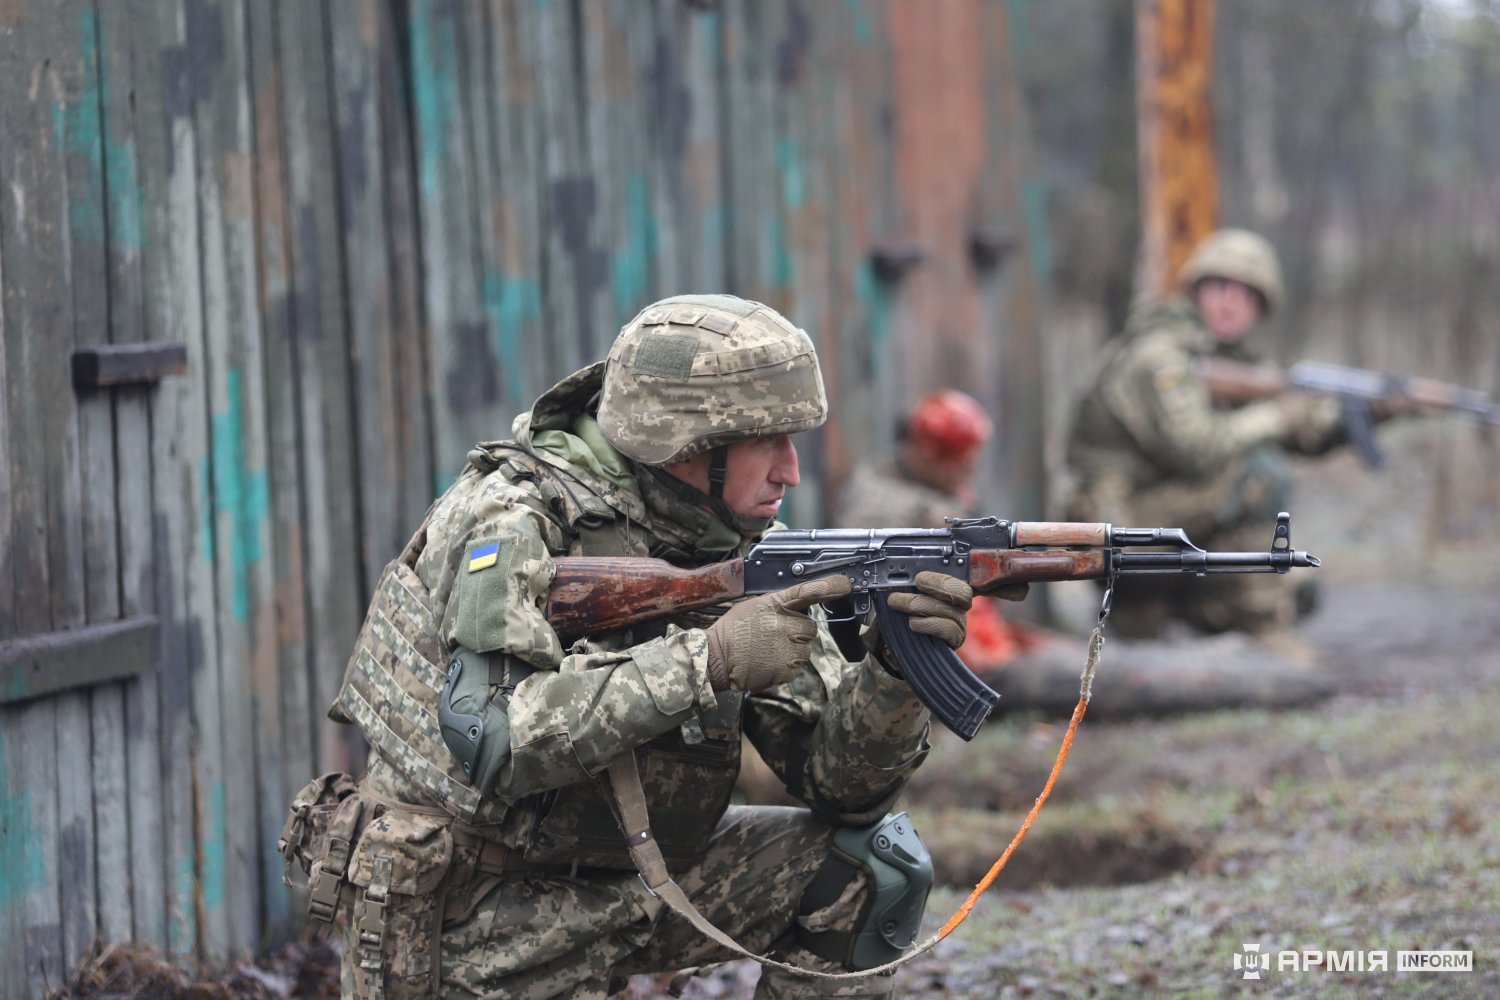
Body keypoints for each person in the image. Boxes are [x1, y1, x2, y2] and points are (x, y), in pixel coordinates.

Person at [279, 294, 996, 1000]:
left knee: (870, 864)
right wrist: (705, 662)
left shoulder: (732, 536)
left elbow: (841, 786)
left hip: (625, 881)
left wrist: (896, 670)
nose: (791, 471)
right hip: (474, 917)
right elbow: (493, 738)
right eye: (767, 441)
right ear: (688, 444)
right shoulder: (508, 517)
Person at [1063, 228, 1389, 660]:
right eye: (1220, 286)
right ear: (1197, 290)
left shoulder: (1230, 361)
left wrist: (1370, 413)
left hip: (1161, 523)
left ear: (1261, 307)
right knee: (1260, 474)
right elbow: (1198, 449)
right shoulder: (1161, 356)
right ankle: (1258, 623)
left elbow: (1302, 430)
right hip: (1120, 532)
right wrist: (1274, 416)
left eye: (1247, 294)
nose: (1231, 302)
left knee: (1301, 586)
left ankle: (1159, 613)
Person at [835, 389, 1039, 672]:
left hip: (964, 636)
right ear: (928, 453)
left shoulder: (927, 486)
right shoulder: (878, 500)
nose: (968, 474)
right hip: (922, 649)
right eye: (959, 464)